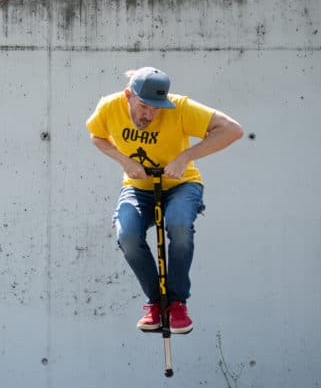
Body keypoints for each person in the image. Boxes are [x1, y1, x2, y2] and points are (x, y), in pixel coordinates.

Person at [86, 67, 243, 334]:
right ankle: (156, 303)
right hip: (138, 187)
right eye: (144, 106)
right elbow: (96, 136)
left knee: (179, 225)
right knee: (127, 235)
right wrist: (124, 161)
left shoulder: (180, 107)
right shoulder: (109, 107)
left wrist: (185, 157)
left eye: (157, 108)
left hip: (182, 185)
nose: (149, 115)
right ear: (128, 96)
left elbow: (232, 130)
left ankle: (177, 302)